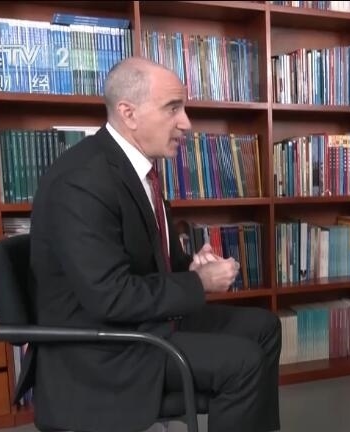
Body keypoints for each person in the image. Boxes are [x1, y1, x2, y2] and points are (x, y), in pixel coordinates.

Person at [28, 57, 281, 432]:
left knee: (265, 327)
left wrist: (190, 267)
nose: (186, 123)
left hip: (143, 325)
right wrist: (199, 283)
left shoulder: (138, 170)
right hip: (103, 350)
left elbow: (149, 265)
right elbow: (110, 297)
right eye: (172, 108)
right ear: (128, 113)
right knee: (243, 362)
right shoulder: (82, 181)